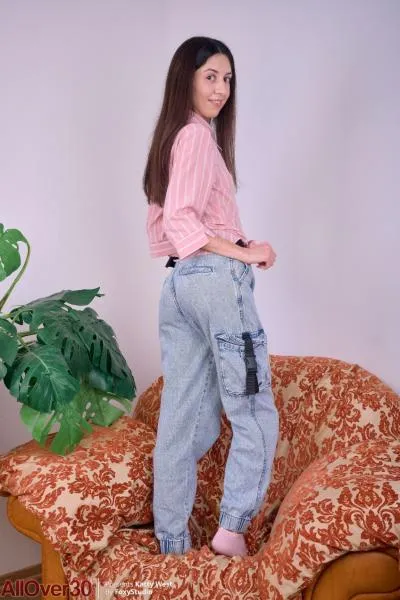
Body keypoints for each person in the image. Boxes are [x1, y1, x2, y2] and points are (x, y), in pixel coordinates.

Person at [143, 36, 279, 557]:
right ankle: (231, 531)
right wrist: (246, 253)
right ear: (187, 79)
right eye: (210, 77)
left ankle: (171, 545)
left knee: (183, 422)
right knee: (253, 410)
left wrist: (239, 244)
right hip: (216, 284)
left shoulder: (170, 140)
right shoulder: (197, 139)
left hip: (179, 288)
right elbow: (184, 222)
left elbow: (169, 232)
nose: (221, 89)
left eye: (227, 79)